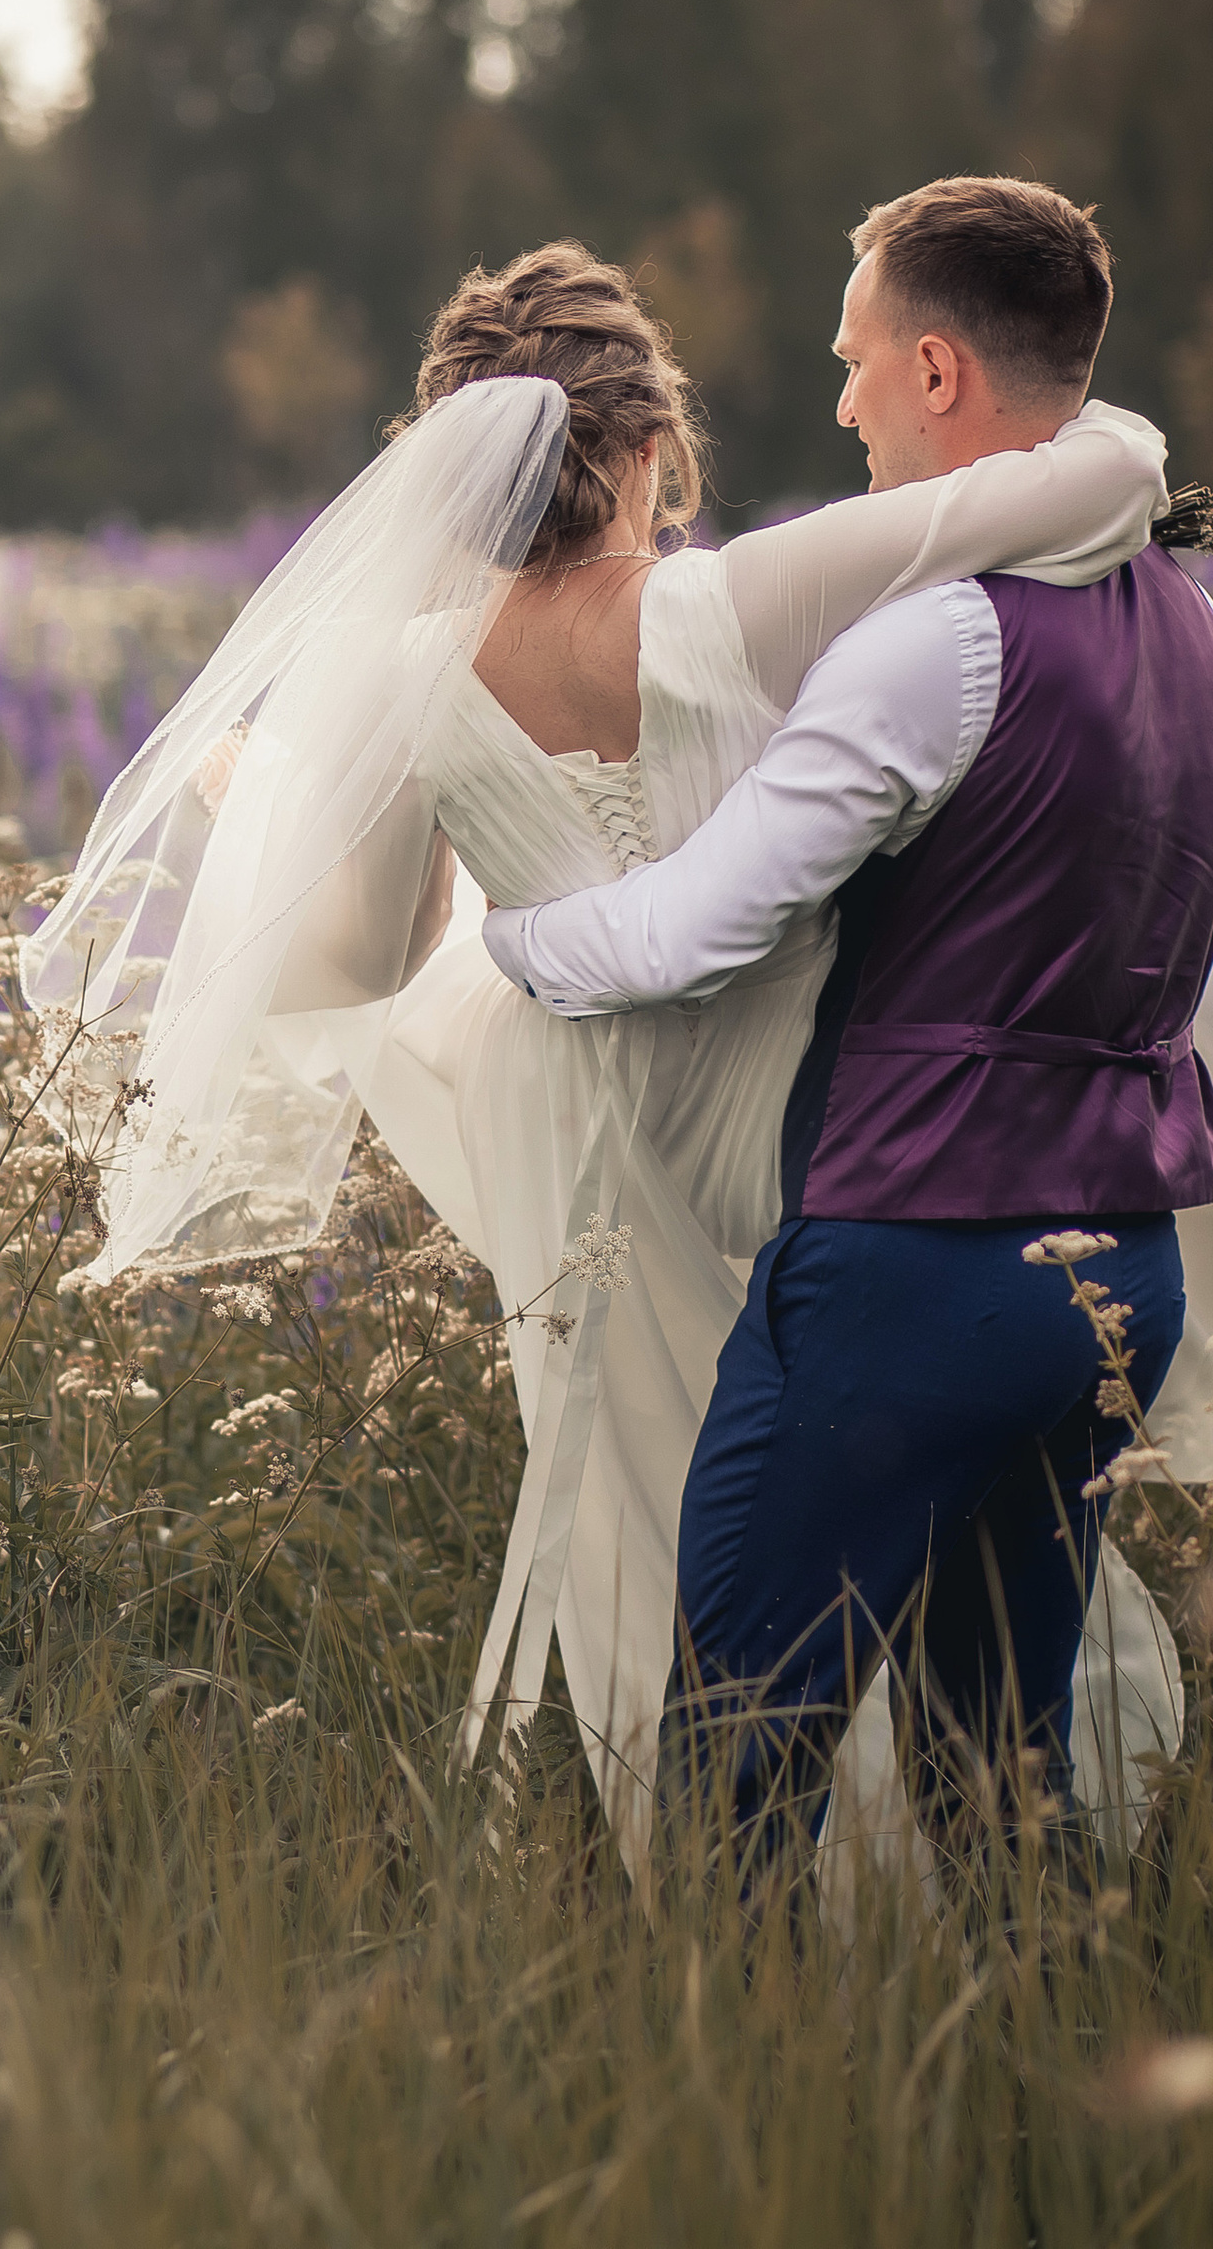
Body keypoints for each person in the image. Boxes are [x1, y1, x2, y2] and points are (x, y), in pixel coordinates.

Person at [23, 208, 1180, 1865]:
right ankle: (965, 1861)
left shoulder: (405, 672)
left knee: (648, 1519)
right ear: (646, 445)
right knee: (866, 1490)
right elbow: (1099, 479)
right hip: (795, 1106)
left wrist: (278, 809)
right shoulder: (743, 597)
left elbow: (366, 957)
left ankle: (720, 1908)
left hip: (571, 1120)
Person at [479, 180, 1213, 1875]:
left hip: (908, 1267)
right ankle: (1017, 2107)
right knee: (1003, 1784)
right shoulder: (1191, 623)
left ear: (942, 374)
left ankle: (742, 2095)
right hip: (1122, 1276)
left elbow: (691, 928)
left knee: (738, 1761)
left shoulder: (936, 642)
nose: (841, 400)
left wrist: (512, 944)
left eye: (859, 360)